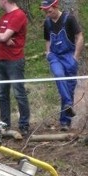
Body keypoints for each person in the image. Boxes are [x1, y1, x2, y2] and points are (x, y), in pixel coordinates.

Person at [41, 0, 83, 132]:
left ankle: (65, 123)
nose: (47, 14)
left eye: (49, 11)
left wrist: (75, 57)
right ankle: (68, 104)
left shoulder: (69, 19)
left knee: (69, 89)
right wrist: (48, 53)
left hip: (69, 56)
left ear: (55, 6)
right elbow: (47, 39)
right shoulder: (47, 23)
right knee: (59, 76)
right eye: (45, 12)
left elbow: (79, 36)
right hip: (55, 57)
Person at [0, 0, 31, 136]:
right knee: (2, 94)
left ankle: (24, 124)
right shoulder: (4, 17)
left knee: (19, 93)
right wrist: (1, 36)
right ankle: (5, 124)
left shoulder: (18, 15)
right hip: (0, 59)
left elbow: (2, 36)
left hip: (14, 60)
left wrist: (1, 36)